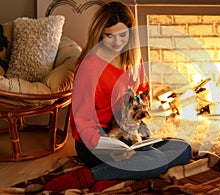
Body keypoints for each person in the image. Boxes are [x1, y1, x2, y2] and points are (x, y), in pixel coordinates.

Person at [44, 1, 192, 192]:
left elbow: (143, 94)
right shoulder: (88, 68)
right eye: (109, 36)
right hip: (99, 139)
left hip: (131, 133)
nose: (117, 42)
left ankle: (113, 174)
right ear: (99, 34)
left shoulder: (133, 58)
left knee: (183, 149)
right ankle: (88, 177)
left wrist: (137, 122)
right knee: (156, 160)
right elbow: (81, 123)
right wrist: (108, 144)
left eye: (123, 35)